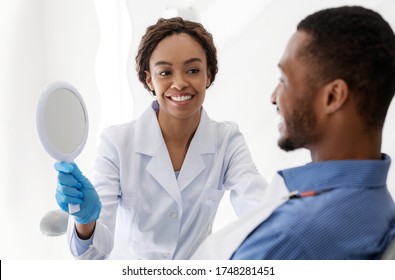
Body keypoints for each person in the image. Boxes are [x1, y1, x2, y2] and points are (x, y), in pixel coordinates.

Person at [54, 17, 268, 260]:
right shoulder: (117, 142)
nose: (179, 83)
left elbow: (258, 207)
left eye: (193, 70)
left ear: (208, 75)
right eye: (165, 72)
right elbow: (93, 253)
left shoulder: (227, 140)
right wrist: (86, 219)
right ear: (149, 80)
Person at [192, 6, 395, 260]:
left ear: (332, 97)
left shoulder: (292, 237)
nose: (274, 97)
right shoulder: (377, 204)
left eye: (284, 80)